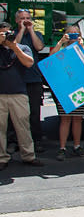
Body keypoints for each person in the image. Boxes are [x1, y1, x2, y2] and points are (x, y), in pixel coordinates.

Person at [0, 22, 44, 169]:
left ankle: (28, 156)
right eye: (3, 33)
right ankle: (2, 158)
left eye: (8, 33)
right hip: (1, 95)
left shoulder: (22, 48)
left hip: (19, 93)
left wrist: (14, 47)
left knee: (23, 127)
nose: (6, 36)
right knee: (0, 128)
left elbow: (29, 63)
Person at [51, 25, 84, 160]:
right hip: (64, 87)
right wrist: (60, 42)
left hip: (79, 88)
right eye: (70, 33)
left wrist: (81, 46)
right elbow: (50, 59)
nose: (73, 36)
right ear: (65, 35)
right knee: (64, 119)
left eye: (76, 33)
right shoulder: (62, 48)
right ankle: (62, 148)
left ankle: (77, 146)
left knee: (77, 119)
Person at [14, 9, 46, 150]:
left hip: (34, 79)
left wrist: (31, 30)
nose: (25, 20)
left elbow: (39, 47)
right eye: (22, 18)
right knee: (16, 115)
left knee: (34, 112)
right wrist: (21, 30)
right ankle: (15, 141)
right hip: (17, 79)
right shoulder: (13, 34)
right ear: (16, 21)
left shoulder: (37, 34)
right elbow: (15, 46)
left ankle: (36, 140)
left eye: (27, 18)